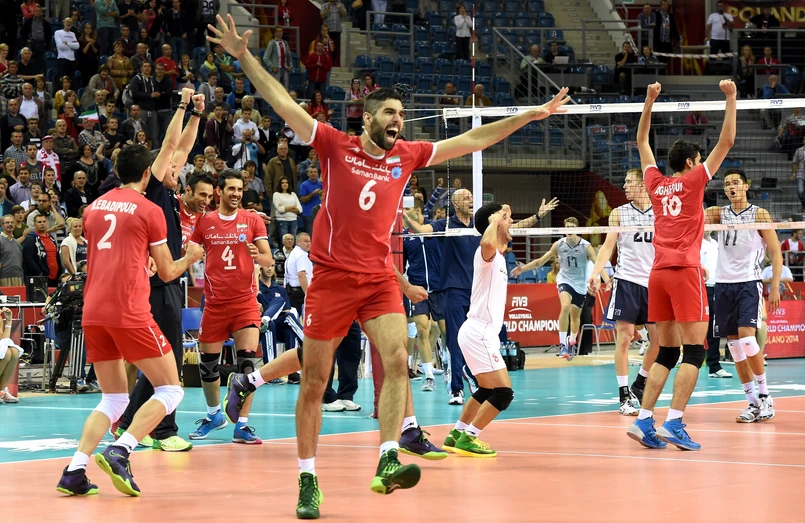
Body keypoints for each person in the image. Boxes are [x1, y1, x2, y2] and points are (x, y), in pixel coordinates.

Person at [207, 14, 570, 519]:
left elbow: (473, 140)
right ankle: (308, 479)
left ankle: (387, 458)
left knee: (398, 359)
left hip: (378, 279)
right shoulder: (334, 145)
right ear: (368, 118)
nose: (398, 119)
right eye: (390, 112)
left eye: (401, 113)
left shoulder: (408, 155)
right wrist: (244, 56)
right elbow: (284, 103)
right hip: (332, 277)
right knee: (315, 379)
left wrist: (531, 115)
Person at [55, 144, 203, 497]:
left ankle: (74, 470)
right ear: (147, 172)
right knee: (171, 389)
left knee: (113, 399)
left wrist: (141, 261)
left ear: (118, 171)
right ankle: (121, 450)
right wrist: (190, 257)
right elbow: (167, 272)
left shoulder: (93, 208)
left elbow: (112, 253)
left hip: (94, 310)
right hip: (129, 309)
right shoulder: (150, 209)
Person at [626, 80, 736, 452]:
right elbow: (726, 143)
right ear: (691, 162)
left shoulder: (655, 183)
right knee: (695, 351)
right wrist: (731, 97)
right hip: (685, 271)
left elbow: (641, 140)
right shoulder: (694, 180)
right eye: (699, 158)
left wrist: (649, 100)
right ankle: (673, 422)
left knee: (667, 352)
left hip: (657, 274)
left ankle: (644, 420)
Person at [115, 90, 208, 453]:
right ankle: (164, 431)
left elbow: (182, 147)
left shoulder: (168, 192)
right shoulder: (153, 188)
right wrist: (182, 105)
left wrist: (198, 114)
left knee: (163, 358)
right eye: (170, 166)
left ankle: (130, 422)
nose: (176, 169)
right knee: (168, 360)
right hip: (156, 282)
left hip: (166, 282)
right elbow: (171, 145)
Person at [187, 169, 273, 444]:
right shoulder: (205, 222)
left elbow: (269, 260)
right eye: (231, 189)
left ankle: (242, 426)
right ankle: (214, 415)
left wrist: (258, 254)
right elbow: (189, 251)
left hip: (245, 303)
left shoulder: (252, 220)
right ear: (219, 191)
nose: (236, 194)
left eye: (240, 189)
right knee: (208, 368)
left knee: (247, 366)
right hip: (214, 304)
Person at [705, 169, 781, 422]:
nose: (731, 187)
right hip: (723, 285)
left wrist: (775, 287)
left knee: (748, 339)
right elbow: (694, 215)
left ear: (746, 186)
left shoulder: (759, 214)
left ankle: (765, 396)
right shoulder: (718, 213)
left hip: (748, 283)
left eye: (735, 182)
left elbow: (776, 253)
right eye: (727, 184)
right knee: (735, 347)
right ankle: (752, 403)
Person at [442, 202, 514, 457]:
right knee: (503, 394)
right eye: (507, 218)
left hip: (479, 333)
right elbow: (486, 241)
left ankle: (456, 433)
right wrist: (495, 218)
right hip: (479, 333)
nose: (511, 221)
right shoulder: (486, 252)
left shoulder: (499, 256)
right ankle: (469, 438)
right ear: (494, 223)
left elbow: (498, 236)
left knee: (487, 390)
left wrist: (504, 215)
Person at [588, 168, 659, 415]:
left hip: (654, 283)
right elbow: (608, 246)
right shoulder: (619, 213)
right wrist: (596, 273)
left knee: (659, 342)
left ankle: (640, 383)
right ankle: (624, 396)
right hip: (627, 280)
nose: (625, 186)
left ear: (642, 184)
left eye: (629, 182)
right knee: (625, 337)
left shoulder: (659, 212)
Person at [512, 216, 606, 360]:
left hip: (580, 284)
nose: (569, 230)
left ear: (577, 229)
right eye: (567, 228)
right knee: (565, 306)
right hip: (564, 280)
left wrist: (606, 280)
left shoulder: (586, 246)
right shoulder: (559, 245)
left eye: (572, 228)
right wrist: (523, 269)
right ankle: (563, 345)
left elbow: (598, 263)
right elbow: (540, 261)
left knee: (575, 317)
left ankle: (572, 341)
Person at [700, 229, 732, 379]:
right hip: (701, 288)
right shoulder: (695, 243)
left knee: (715, 328)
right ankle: (694, 361)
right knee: (700, 327)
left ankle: (714, 366)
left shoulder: (716, 244)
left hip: (718, 288)